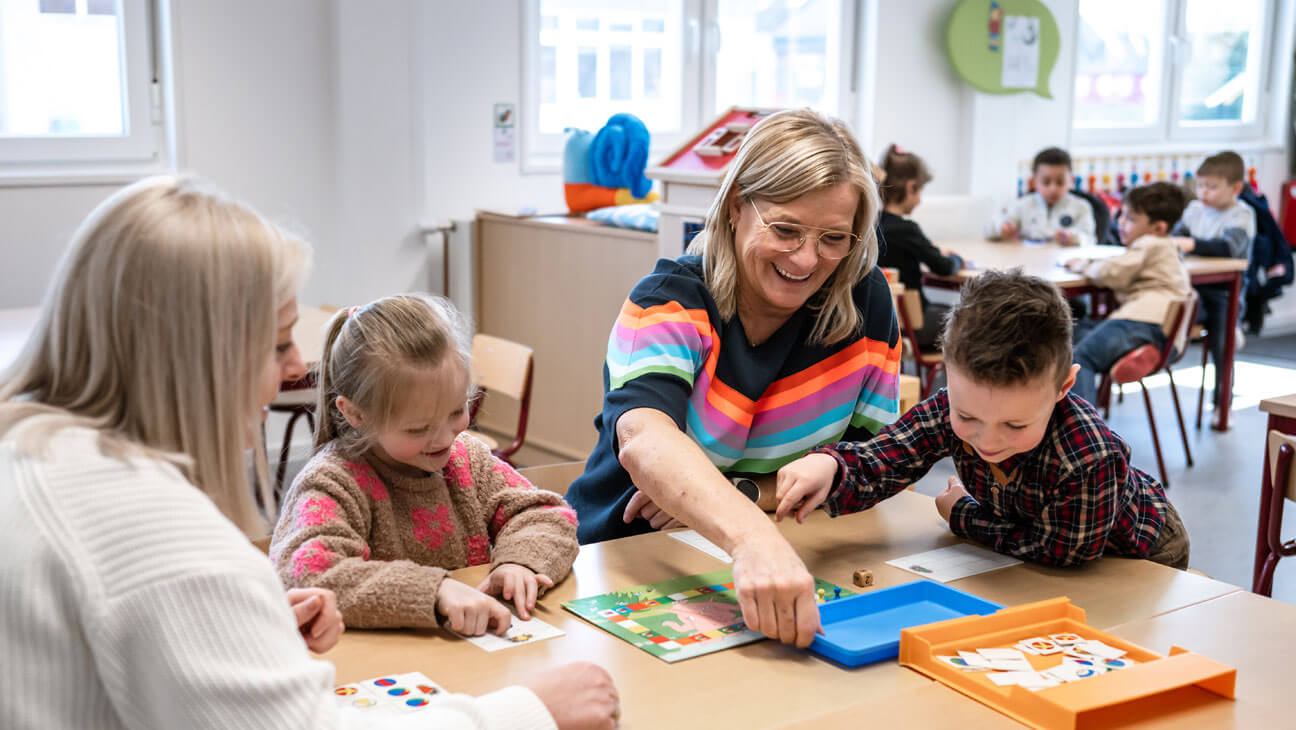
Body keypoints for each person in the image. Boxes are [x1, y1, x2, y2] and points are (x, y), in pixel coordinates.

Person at [0, 176, 618, 730]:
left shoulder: (38, 458)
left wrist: (243, 641)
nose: (298, 368)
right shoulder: (154, 533)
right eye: (276, 346)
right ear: (191, 363)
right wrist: (527, 711)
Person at [564, 108, 903, 648]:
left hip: (790, 549)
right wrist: (751, 538)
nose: (808, 259)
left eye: (835, 238)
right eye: (786, 229)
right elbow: (645, 439)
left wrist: (739, 494)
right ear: (736, 207)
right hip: (628, 556)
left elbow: (872, 463)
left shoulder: (865, 301)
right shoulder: (667, 301)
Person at [775, 269, 1190, 570]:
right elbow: (887, 457)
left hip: (1138, 556)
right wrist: (830, 465)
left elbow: (1060, 552)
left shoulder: (1088, 455)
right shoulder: (952, 408)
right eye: (967, 415)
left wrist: (962, 514)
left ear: (1063, 386)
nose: (987, 441)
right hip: (1035, 545)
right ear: (947, 377)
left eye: (1014, 425)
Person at [270, 294, 579, 634]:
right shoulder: (334, 479)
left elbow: (546, 515)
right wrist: (435, 590)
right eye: (418, 428)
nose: (446, 438)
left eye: (457, 411)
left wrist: (520, 561)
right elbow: (308, 575)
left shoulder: (467, 458)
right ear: (355, 413)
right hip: (380, 666)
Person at [1062, 182, 1192, 406]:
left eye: (1130, 219)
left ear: (1158, 228)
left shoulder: (1149, 244)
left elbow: (1113, 272)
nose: (1121, 222)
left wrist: (1083, 266)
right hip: (1162, 331)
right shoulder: (1168, 247)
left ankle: (1084, 429)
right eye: (1122, 215)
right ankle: (1139, 351)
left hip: (1139, 320)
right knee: (1081, 330)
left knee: (1080, 358)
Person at [1170, 151, 1257, 422]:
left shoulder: (1241, 214)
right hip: (1190, 285)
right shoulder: (1194, 209)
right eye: (1200, 186)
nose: (1204, 192)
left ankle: (1223, 402)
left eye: (1212, 187)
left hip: (1224, 292)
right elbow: (1176, 238)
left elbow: (1231, 248)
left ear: (1235, 188)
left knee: (1221, 343)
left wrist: (1193, 244)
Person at [876, 143, 964, 349]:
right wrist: (957, 260)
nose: (920, 200)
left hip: (883, 321)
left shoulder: (873, 224)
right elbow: (943, 267)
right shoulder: (907, 230)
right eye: (920, 191)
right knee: (967, 320)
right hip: (913, 326)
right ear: (910, 187)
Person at [989, 147, 1096, 247]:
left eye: (1060, 182)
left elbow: (1090, 239)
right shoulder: (1021, 205)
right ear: (1034, 181)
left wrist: (1073, 237)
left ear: (1071, 180)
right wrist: (1001, 227)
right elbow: (990, 229)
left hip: (1065, 262)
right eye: (1046, 182)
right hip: (1028, 261)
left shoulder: (1081, 207)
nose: (1053, 188)